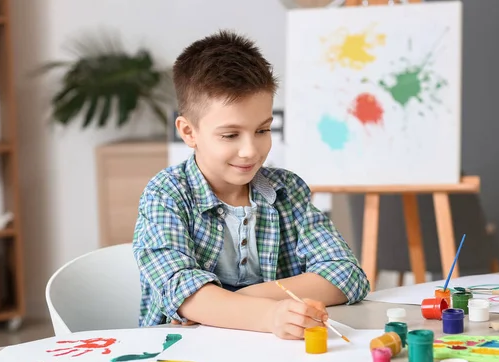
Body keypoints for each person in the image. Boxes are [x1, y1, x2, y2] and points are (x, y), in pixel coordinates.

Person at [133, 30, 370, 340]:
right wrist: (270, 313)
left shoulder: (288, 190)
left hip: (269, 354)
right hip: (180, 354)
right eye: (230, 135)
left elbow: (346, 275)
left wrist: (221, 304)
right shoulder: (166, 194)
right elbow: (181, 290)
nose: (251, 150)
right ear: (188, 131)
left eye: (263, 130)